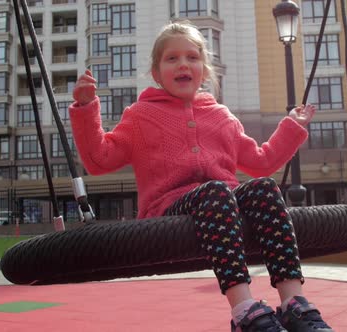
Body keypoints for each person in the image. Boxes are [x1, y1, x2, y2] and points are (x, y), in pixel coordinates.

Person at [70, 21, 332, 332]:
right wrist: (86, 108)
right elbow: (99, 160)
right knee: (216, 191)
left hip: (223, 200)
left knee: (262, 188)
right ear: (156, 73)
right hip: (169, 205)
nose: (183, 64)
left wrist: (292, 126)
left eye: (192, 57)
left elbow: (261, 163)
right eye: (172, 58)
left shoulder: (221, 117)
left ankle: (294, 303)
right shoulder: (141, 116)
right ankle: (244, 309)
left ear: (204, 71)